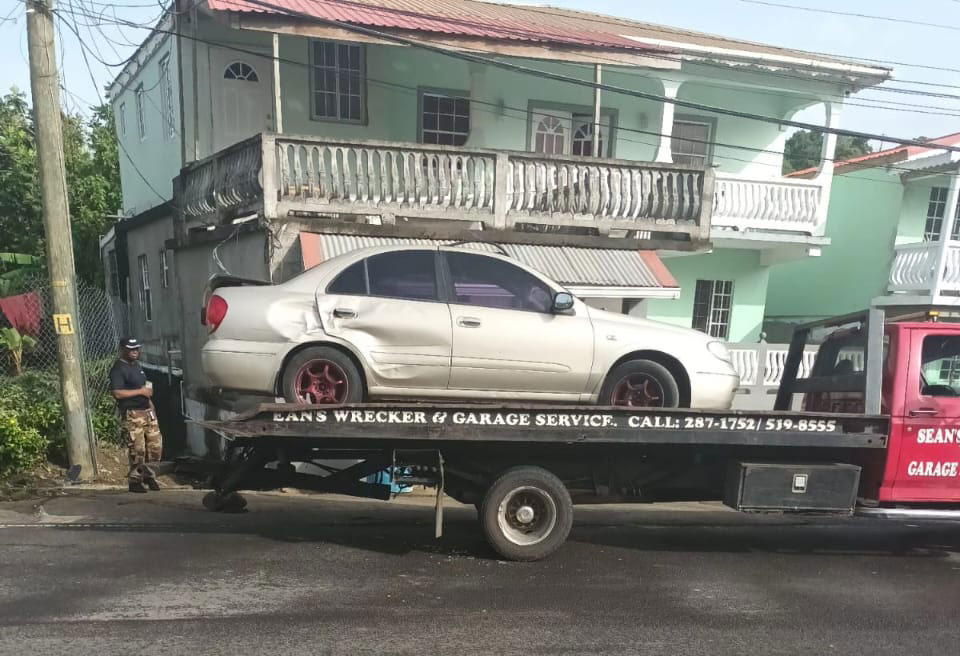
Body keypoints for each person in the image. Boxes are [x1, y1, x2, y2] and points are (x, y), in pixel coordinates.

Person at [109, 337, 163, 493]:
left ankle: (149, 476)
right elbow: (117, 393)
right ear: (122, 349)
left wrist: (150, 404)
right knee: (137, 449)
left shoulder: (137, 365)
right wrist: (141, 392)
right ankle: (135, 481)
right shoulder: (118, 369)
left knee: (155, 447)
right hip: (133, 413)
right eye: (131, 349)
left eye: (137, 348)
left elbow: (144, 387)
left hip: (147, 411)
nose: (135, 351)